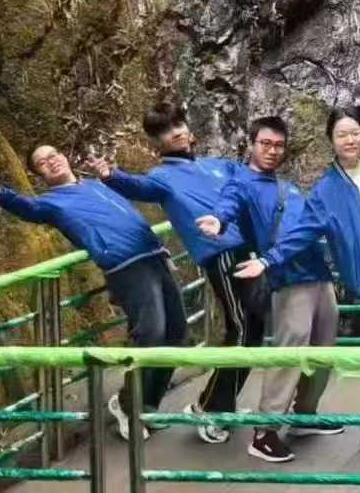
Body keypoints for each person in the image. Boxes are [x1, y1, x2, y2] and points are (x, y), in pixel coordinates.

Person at [235, 108, 360, 459]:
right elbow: (302, 231)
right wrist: (267, 260)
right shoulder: (327, 189)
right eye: (342, 134)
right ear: (331, 141)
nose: (350, 139)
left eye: (355, 132)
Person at [0, 145, 185, 442]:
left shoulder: (96, 184)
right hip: (126, 267)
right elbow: (26, 207)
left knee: (176, 332)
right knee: (151, 335)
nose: (51, 162)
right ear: (39, 175)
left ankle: (148, 405)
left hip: (155, 256)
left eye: (53, 155)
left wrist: (110, 174)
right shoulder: (50, 203)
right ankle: (128, 406)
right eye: (42, 163)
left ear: (64, 156)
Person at [88, 102, 259, 447]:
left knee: (253, 329)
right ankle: (210, 408)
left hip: (251, 251)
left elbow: (251, 187)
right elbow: (138, 187)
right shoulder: (162, 177)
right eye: (165, 131)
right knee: (242, 328)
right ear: (157, 143)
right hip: (221, 253)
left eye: (178, 124)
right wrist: (111, 176)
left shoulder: (216, 165)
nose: (176, 133)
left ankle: (220, 403)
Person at [204, 115, 342, 463]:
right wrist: (218, 219)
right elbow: (228, 204)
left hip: (319, 273)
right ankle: (264, 432)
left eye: (279, 145)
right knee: (289, 353)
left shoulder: (288, 186)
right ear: (252, 144)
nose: (272, 150)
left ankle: (304, 415)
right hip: (287, 278)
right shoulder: (242, 183)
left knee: (324, 350)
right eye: (265, 143)